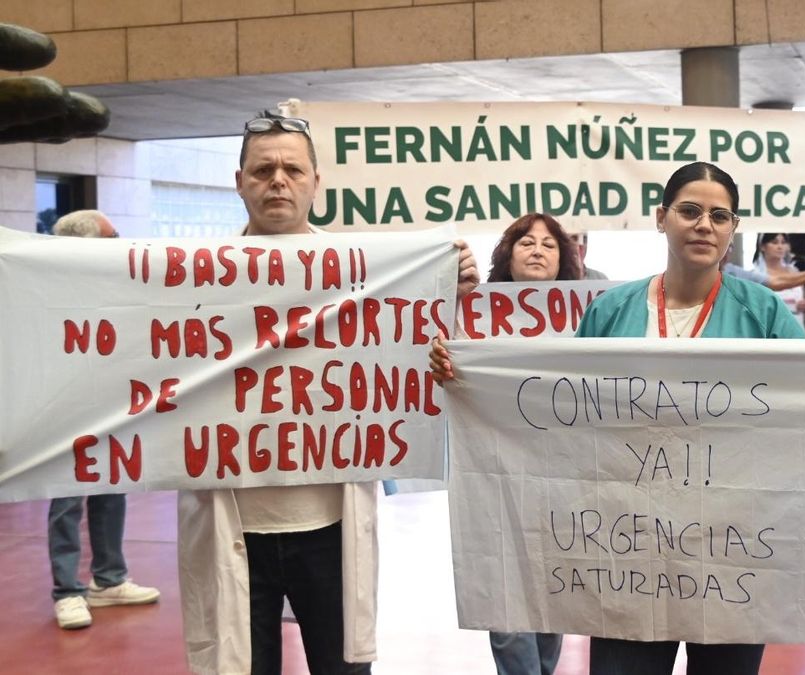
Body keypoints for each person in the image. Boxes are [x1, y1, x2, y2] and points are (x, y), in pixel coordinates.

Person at [431, 161, 805, 675]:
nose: (705, 225)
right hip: (624, 555)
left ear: (733, 229)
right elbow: (561, 410)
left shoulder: (763, 312)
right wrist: (470, 376)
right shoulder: (611, 311)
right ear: (662, 218)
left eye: (719, 216)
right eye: (689, 211)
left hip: (735, 557)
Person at [177, 112, 480, 675]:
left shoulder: (365, 274)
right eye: (263, 169)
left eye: (292, 169)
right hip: (233, 525)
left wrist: (448, 293)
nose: (278, 180)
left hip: (329, 529)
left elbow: (425, 363)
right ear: (239, 181)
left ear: (316, 182)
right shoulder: (188, 278)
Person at [47, 210, 160, 630]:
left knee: (112, 485)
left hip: (109, 400)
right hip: (64, 403)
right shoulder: (49, 289)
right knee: (66, 496)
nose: (121, 242)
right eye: (113, 237)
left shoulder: (116, 284)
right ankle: (67, 590)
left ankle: (109, 579)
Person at [482, 213, 580, 675]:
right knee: (506, 608)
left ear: (564, 260)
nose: (537, 250)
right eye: (526, 242)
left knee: (549, 597)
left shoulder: (589, 320)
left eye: (549, 244)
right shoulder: (474, 316)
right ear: (508, 255)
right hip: (495, 478)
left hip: (560, 480)